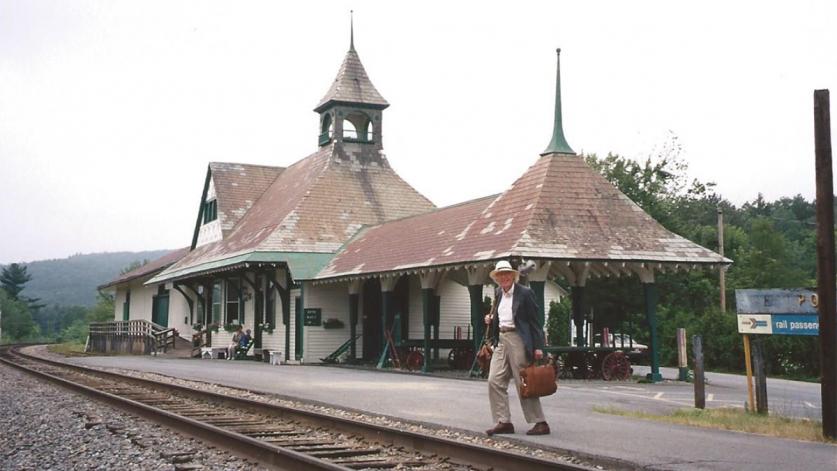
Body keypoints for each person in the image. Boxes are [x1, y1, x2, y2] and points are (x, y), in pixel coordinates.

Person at [483, 260, 551, 436]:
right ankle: (503, 421)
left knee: (524, 381)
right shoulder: (498, 292)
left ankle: (540, 422)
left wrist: (538, 347)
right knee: (494, 380)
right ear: (497, 278)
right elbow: (503, 314)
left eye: (507, 274)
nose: (504, 277)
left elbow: (535, 322)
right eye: (500, 275)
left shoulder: (525, 293)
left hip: (519, 339)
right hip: (501, 338)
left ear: (513, 276)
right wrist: (491, 318)